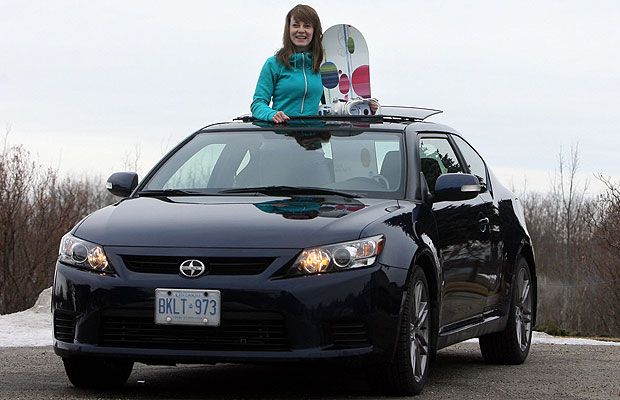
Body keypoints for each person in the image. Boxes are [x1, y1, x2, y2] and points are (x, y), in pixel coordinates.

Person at [251, 4, 324, 123]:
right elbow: (257, 104)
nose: (301, 30)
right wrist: (271, 114)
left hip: (313, 138)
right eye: (295, 25)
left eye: (307, 26)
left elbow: (333, 104)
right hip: (281, 136)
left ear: (314, 30)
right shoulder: (273, 64)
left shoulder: (323, 65)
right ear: (288, 29)